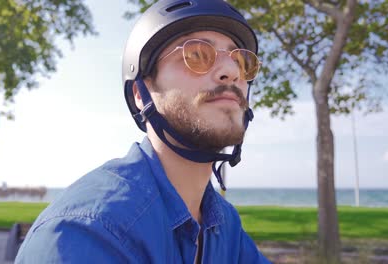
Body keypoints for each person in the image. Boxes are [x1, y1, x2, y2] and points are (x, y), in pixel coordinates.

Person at [16, 0, 270, 263]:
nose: (232, 71)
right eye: (196, 54)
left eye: (240, 61)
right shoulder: (88, 233)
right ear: (141, 93)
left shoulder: (223, 222)